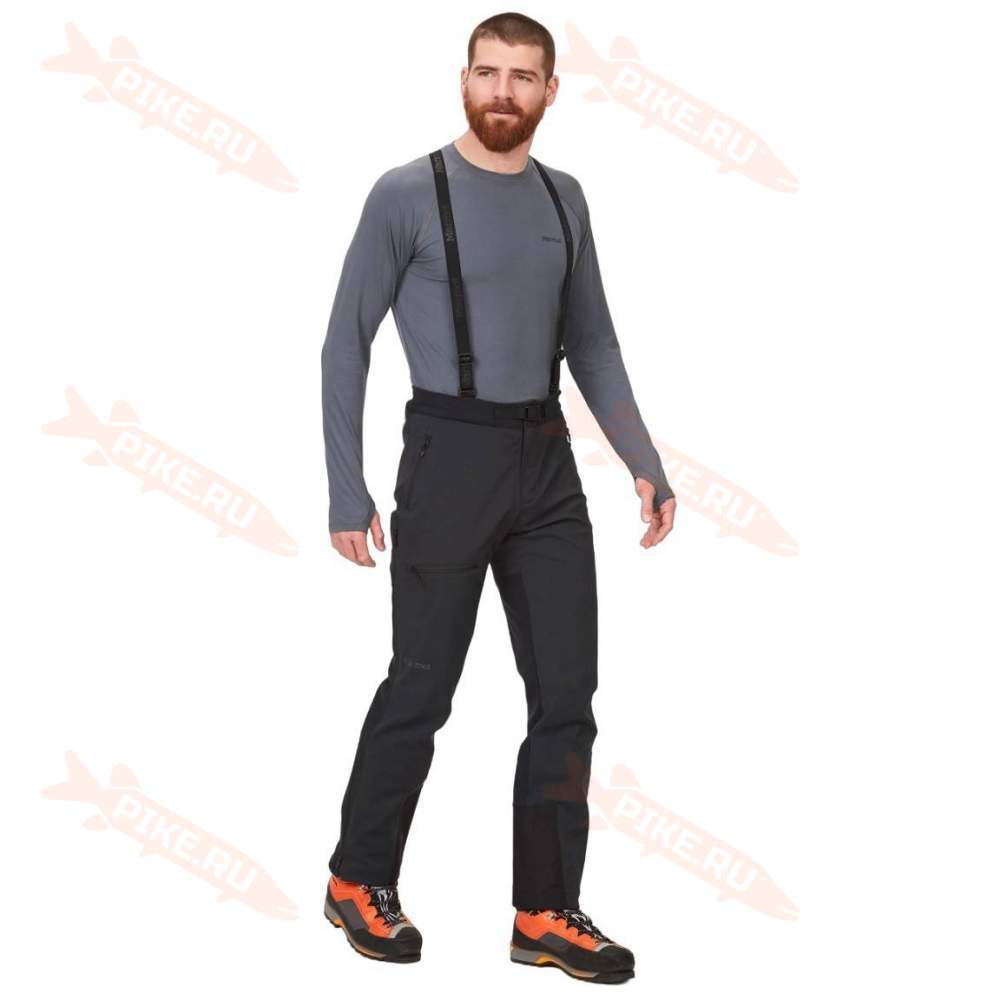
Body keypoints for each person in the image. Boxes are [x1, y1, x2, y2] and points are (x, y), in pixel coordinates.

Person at [320, 13, 675, 984]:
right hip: (448, 454)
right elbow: (346, 339)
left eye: (523, 76)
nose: (503, 91)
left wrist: (643, 459)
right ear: (464, 80)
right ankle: (357, 878)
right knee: (421, 685)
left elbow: (592, 341)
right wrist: (346, 489)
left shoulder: (566, 198)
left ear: (551, 91)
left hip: (546, 464)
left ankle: (543, 910)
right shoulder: (406, 193)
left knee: (567, 698)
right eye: (488, 73)